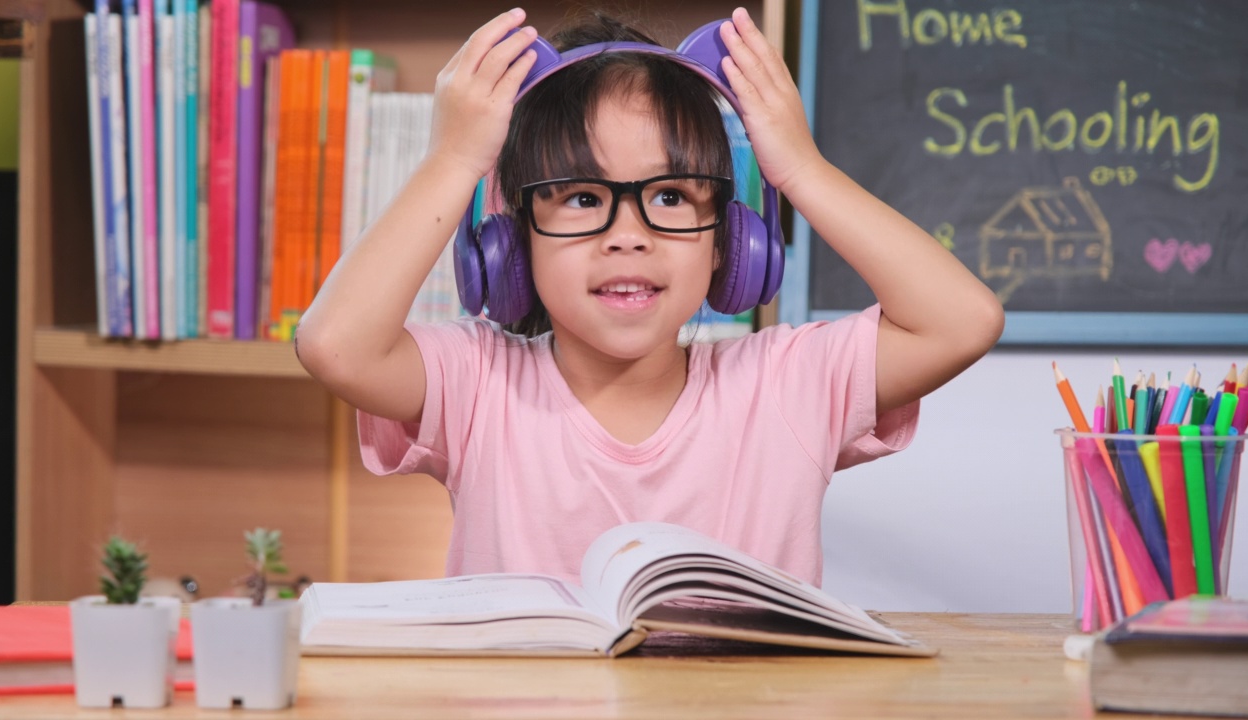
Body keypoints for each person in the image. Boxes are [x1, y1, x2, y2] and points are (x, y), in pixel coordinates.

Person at [296, 7, 1004, 586]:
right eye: (579, 196)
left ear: (731, 240)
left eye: (669, 194)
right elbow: (336, 345)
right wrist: (453, 159)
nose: (627, 235)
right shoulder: (478, 387)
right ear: (512, 242)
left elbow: (962, 321)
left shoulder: (786, 386)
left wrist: (803, 168)